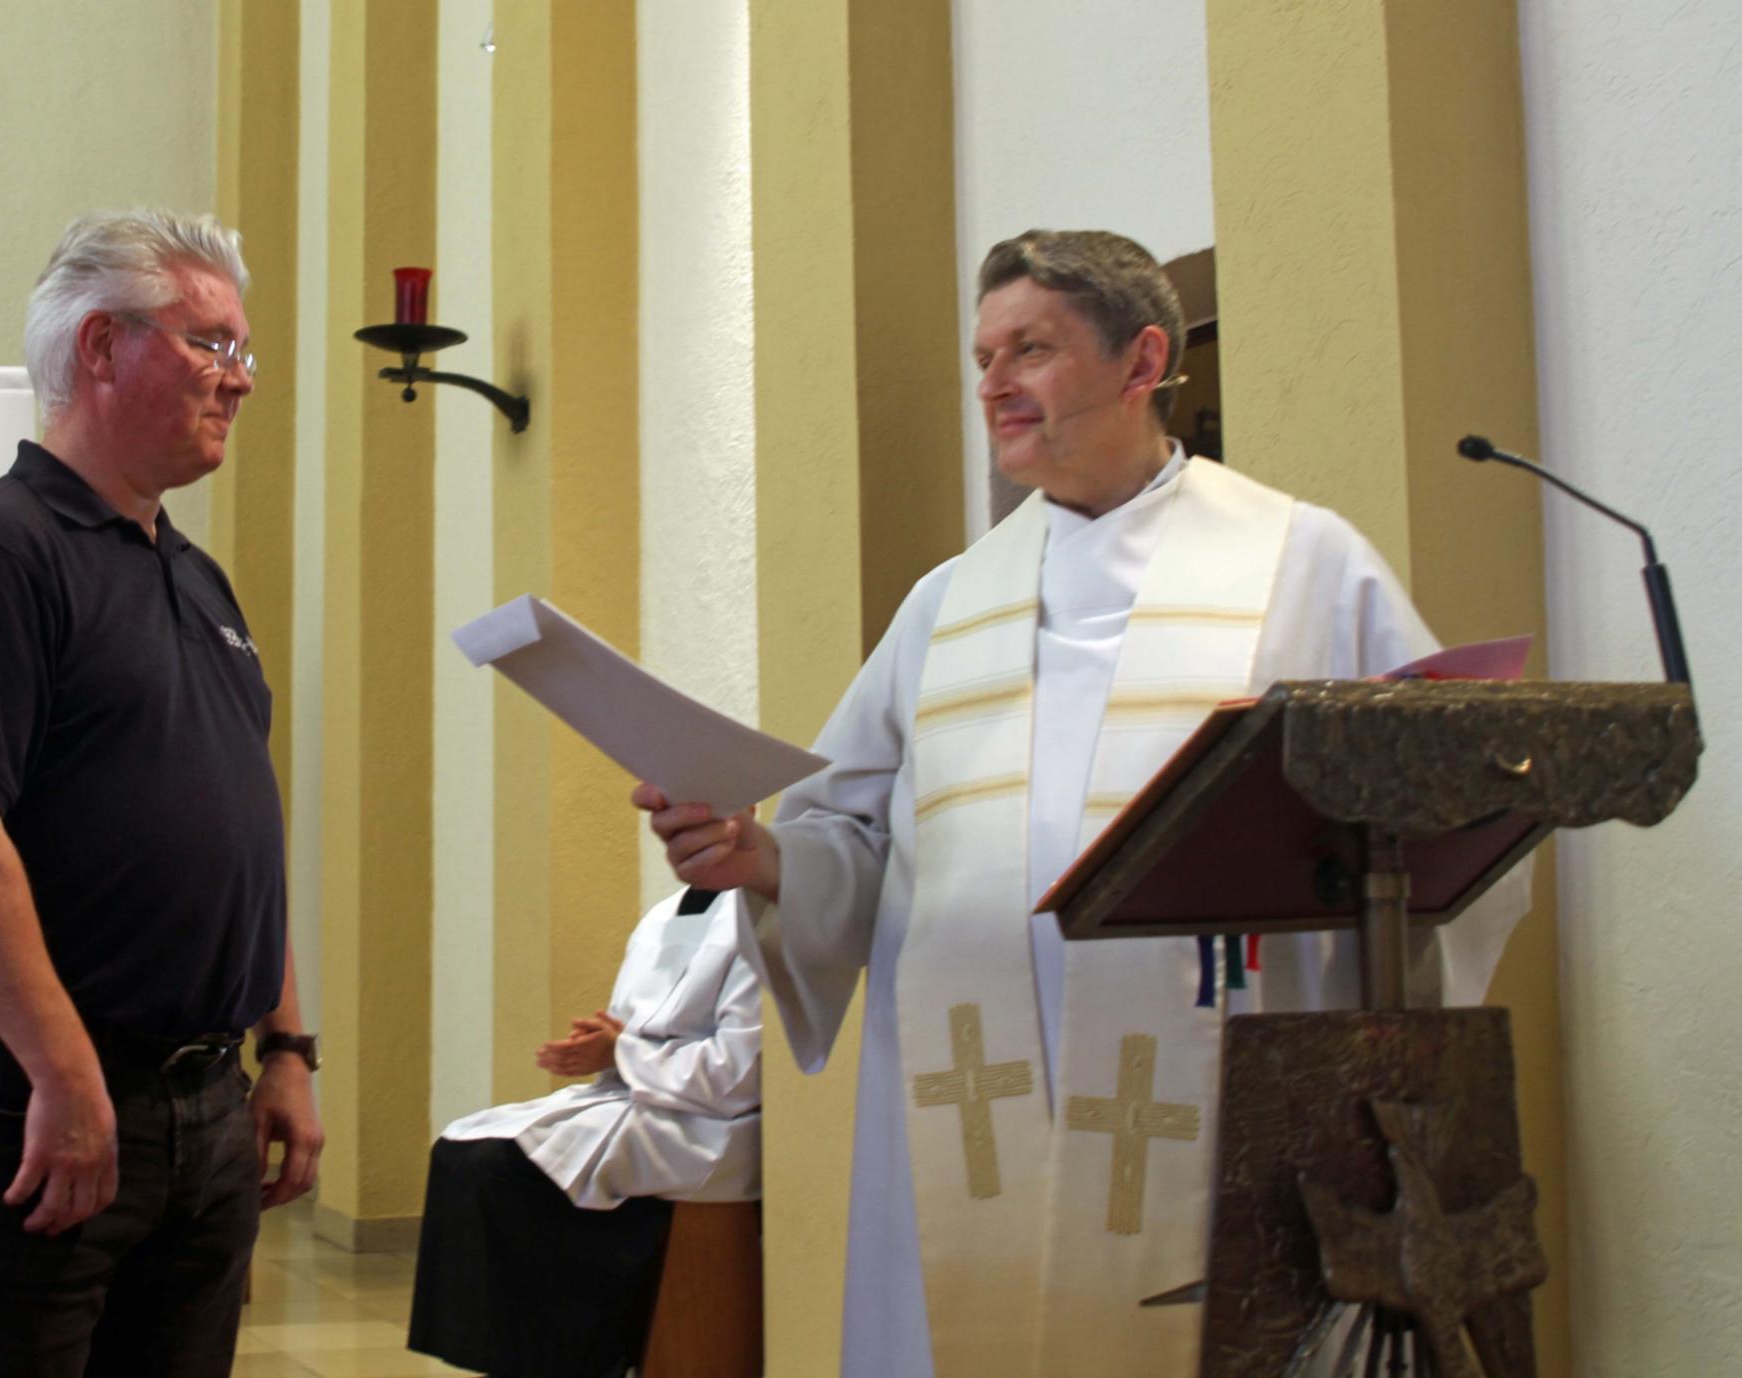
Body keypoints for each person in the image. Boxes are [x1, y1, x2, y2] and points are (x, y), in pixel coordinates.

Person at [636, 229, 1527, 1378]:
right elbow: (848, 838)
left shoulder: (1302, 566)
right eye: (983, 356)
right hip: (975, 1092)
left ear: (1140, 358)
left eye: (1030, 350)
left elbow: (1447, 823)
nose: (992, 384)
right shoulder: (947, 603)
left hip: (1218, 1089)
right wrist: (762, 859)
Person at [0, 208, 324, 1378]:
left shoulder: (197, 577)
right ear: (98, 347)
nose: (238, 381)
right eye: (210, 344)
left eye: (243, 353)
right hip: (35, 1097)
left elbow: (241, 825)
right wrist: (65, 1074)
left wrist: (286, 1045)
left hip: (203, 1105)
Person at [409, 886, 762, 1378]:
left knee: (504, 1174)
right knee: (458, 1150)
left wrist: (620, 1052)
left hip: (712, 1124)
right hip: (640, 1093)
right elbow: (629, 1024)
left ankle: (579, 1354)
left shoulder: (762, 915)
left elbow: (739, 1073)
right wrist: (604, 1047)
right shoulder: (663, 913)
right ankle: (511, 1359)